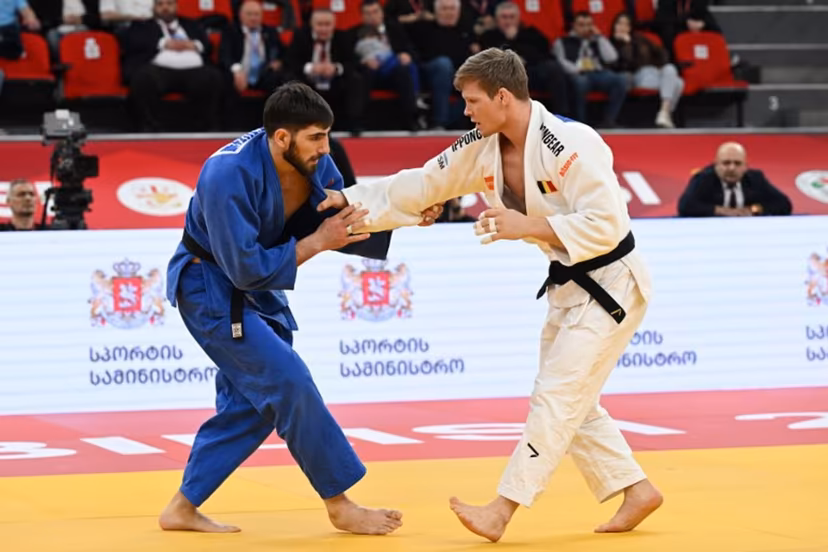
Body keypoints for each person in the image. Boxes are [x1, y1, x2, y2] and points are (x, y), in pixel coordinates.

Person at [319, 47, 663, 542]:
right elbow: (422, 183)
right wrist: (349, 199)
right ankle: (635, 488)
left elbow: (608, 224)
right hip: (569, 283)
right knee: (574, 400)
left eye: (473, 100)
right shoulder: (482, 142)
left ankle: (502, 509)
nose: (465, 111)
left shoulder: (571, 142)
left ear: (504, 97)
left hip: (612, 283)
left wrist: (529, 224)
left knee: (556, 397)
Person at [159, 81, 442, 535]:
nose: (325, 148)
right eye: (316, 137)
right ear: (282, 137)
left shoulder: (315, 162)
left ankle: (181, 507)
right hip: (210, 285)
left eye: (327, 135)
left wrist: (409, 216)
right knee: (289, 382)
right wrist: (315, 243)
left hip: (256, 283)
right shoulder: (225, 175)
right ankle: (339, 502)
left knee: (255, 405)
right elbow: (245, 268)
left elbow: (339, 218)